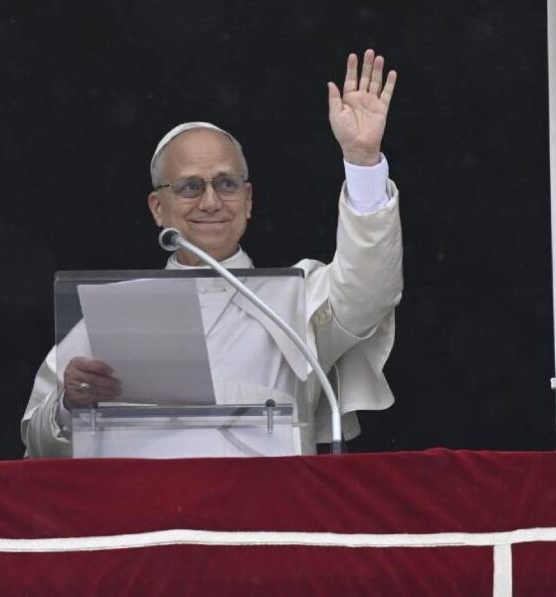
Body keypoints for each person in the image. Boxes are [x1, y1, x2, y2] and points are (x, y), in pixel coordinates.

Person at [22, 49, 402, 457]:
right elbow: (39, 446)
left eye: (226, 184)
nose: (210, 202)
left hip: (265, 516)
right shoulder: (112, 313)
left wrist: (362, 162)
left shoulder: (296, 297)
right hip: (148, 518)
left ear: (249, 199)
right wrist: (69, 406)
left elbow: (370, 290)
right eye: (189, 187)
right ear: (157, 208)